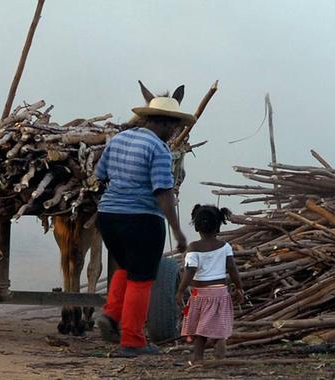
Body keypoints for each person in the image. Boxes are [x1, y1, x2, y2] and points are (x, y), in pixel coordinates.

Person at [95, 82, 195, 357]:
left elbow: (99, 174)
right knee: (142, 279)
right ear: (164, 123)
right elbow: (163, 192)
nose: (175, 131)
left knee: (126, 267)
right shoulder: (160, 149)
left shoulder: (119, 139)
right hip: (141, 219)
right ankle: (132, 340)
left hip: (108, 217)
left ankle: (112, 314)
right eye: (174, 126)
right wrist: (178, 231)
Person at [176, 204, 244, 362]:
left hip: (200, 295)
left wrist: (180, 291)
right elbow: (232, 268)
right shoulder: (225, 247)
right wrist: (239, 287)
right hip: (220, 293)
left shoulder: (193, 248)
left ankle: (197, 358)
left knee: (201, 330)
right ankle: (220, 349)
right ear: (219, 227)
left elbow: (189, 272)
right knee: (218, 327)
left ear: (197, 227)